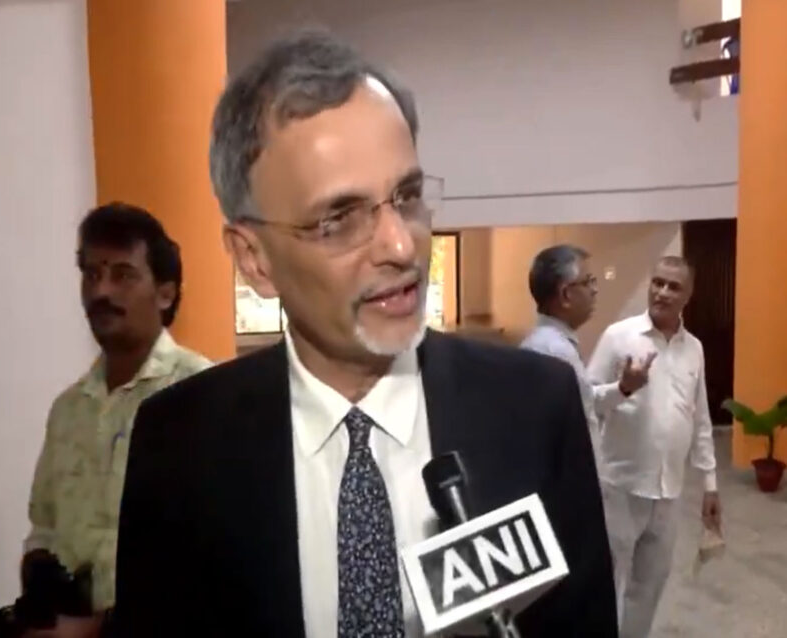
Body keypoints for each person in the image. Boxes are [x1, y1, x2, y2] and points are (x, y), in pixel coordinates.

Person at [113, 30, 617, 637]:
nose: (402, 246)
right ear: (254, 259)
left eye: (406, 196)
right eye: (338, 219)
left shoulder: (537, 407)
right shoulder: (179, 444)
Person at [20, 203, 211, 636]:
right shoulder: (68, 410)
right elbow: (44, 527)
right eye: (91, 274)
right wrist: (39, 581)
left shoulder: (202, 393)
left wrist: (98, 628)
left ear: (165, 293)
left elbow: (219, 554)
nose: (101, 291)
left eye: (123, 275)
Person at [587, 256, 721, 638]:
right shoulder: (619, 336)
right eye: (657, 282)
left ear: (689, 295)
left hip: (668, 493)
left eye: (673, 286)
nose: (662, 292)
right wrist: (623, 388)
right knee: (607, 584)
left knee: (649, 587)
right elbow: (587, 401)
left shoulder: (694, 348)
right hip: (620, 487)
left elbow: (700, 418)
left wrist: (710, 483)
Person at [521, 245, 653, 468]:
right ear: (566, 295)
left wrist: (623, 388)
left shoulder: (550, 344)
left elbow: (586, 402)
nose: (595, 290)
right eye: (588, 281)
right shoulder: (554, 353)